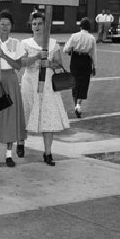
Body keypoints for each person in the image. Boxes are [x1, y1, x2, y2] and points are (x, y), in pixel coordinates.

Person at [20, 11, 69, 166]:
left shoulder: (53, 43)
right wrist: (35, 60)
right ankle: (21, 142)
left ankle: (48, 153)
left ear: (46, 25)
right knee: (26, 113)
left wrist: (49, 64)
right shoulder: (25, 43)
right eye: (34, 24)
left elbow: (59, 64)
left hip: (47, 84)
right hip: (30, 83)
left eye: (40, 23)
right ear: (31, 26)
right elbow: (21, 62)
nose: (37, 27)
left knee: (48, 116)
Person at [0, 10, 27, 167]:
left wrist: (4, 56)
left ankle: (9, 154)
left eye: (7, 24)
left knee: (10, 116)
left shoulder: (16, 43)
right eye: (1, 24)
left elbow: (18, 66)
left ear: (12, 26)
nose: (4, 27)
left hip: (10, 80)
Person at [63, 17, 97, 118]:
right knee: (84, 83)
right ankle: (78, 104)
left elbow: (65, 49)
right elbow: (93, 54)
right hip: (86, 60)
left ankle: (75, 104)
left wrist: (71, 50)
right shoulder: (91, 38)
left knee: (75, 82)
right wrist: (94, 66)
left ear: (80, 26)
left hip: (75, 60)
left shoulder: (74, 36)